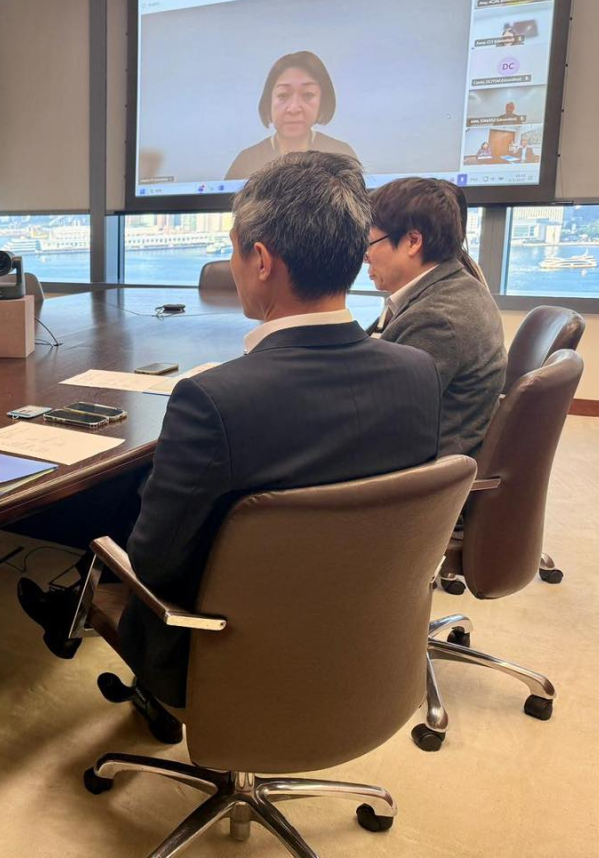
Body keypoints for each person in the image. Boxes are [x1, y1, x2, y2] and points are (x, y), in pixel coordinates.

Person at [22, 154, 442, 707]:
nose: (233, 262)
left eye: (233, 248)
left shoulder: (215, 401)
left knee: (118, 505)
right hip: (361, 635)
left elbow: (152, 565)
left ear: (261, 259)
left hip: (218, 651)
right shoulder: (418, 373)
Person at [365, 177, 507, 458]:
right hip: (449, 449)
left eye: (370, 243)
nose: (365, 257)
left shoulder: (435, 321)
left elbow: (380, 421)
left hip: (426, 478)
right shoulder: (460, 285)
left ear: (413, 241)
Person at [224, 51, 359, 180]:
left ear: (323, 102)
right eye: (283, 95)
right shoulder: (247, 161)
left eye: (308, 95)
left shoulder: (340, 153)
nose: (293, 108)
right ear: (268, 101)